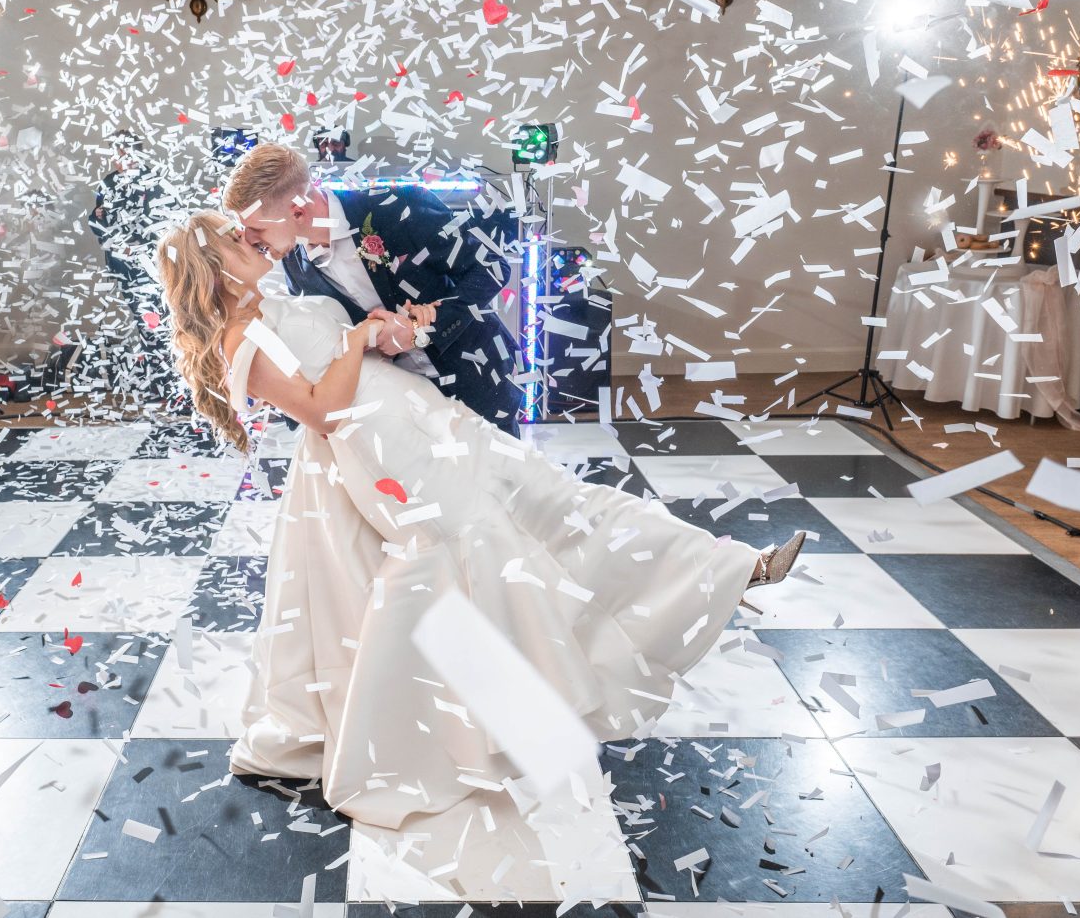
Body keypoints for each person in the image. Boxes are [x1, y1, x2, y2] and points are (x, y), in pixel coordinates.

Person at [155, 210, 806, 830]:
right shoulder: (241, 339)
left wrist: (381, 329)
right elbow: (322, 408)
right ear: (214, 272)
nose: (253, 239)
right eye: (237, 242)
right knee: (483, 548)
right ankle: (516, 717)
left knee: (553, 499)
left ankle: (729, 568)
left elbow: (339, 352)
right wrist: (356, 340)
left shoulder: (280, 297)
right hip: (377, 447)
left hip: (420, 417)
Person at [222, 142, 522, 436]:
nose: (248, 239)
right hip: (400, 411)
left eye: (257, 228)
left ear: (298, 210)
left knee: (504, 483)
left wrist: (419, 328)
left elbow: (492, 266)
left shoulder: (396, 206)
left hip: (478, 378)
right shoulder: (295, 262)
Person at [87, 130, 182, 410]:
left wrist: (141, 246)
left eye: (125, 151)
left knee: (165, 324)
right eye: (116, 152)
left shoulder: (154, 181)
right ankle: (158, 384)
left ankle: (177, 384)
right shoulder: (107, 183)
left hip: (153, 268)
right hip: (123, 267)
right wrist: (99, 219)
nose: (120, 157)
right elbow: (99, 223)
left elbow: (168, 221)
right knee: (145, 327)